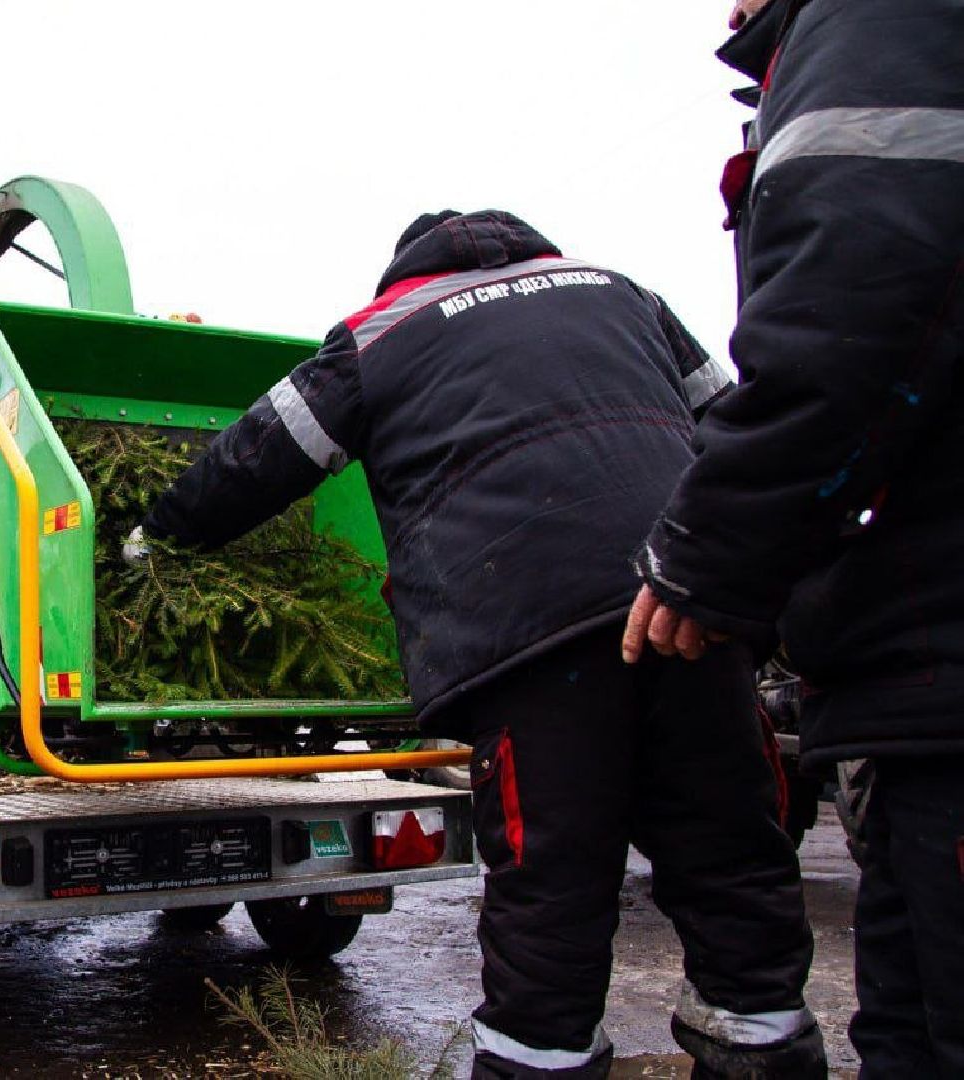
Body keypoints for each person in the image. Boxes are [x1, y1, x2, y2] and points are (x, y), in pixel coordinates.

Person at [131, 210, 823, 1077]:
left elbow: (256, 456)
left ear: (406, 271)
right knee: (731, 850)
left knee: (551, 882)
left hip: (530, 635)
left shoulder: (383, 330)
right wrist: (735, 574)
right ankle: (764, 1046)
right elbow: (735, 423)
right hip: (683, 605)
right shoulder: (620, 292)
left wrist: (156, 535)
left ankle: (537, 1061)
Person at [621, 0, 964, 1073]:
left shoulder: (880, 19)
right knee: (904, 1025)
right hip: (917, 682)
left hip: (941, 665)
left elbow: (841, 312)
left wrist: (706, 558)